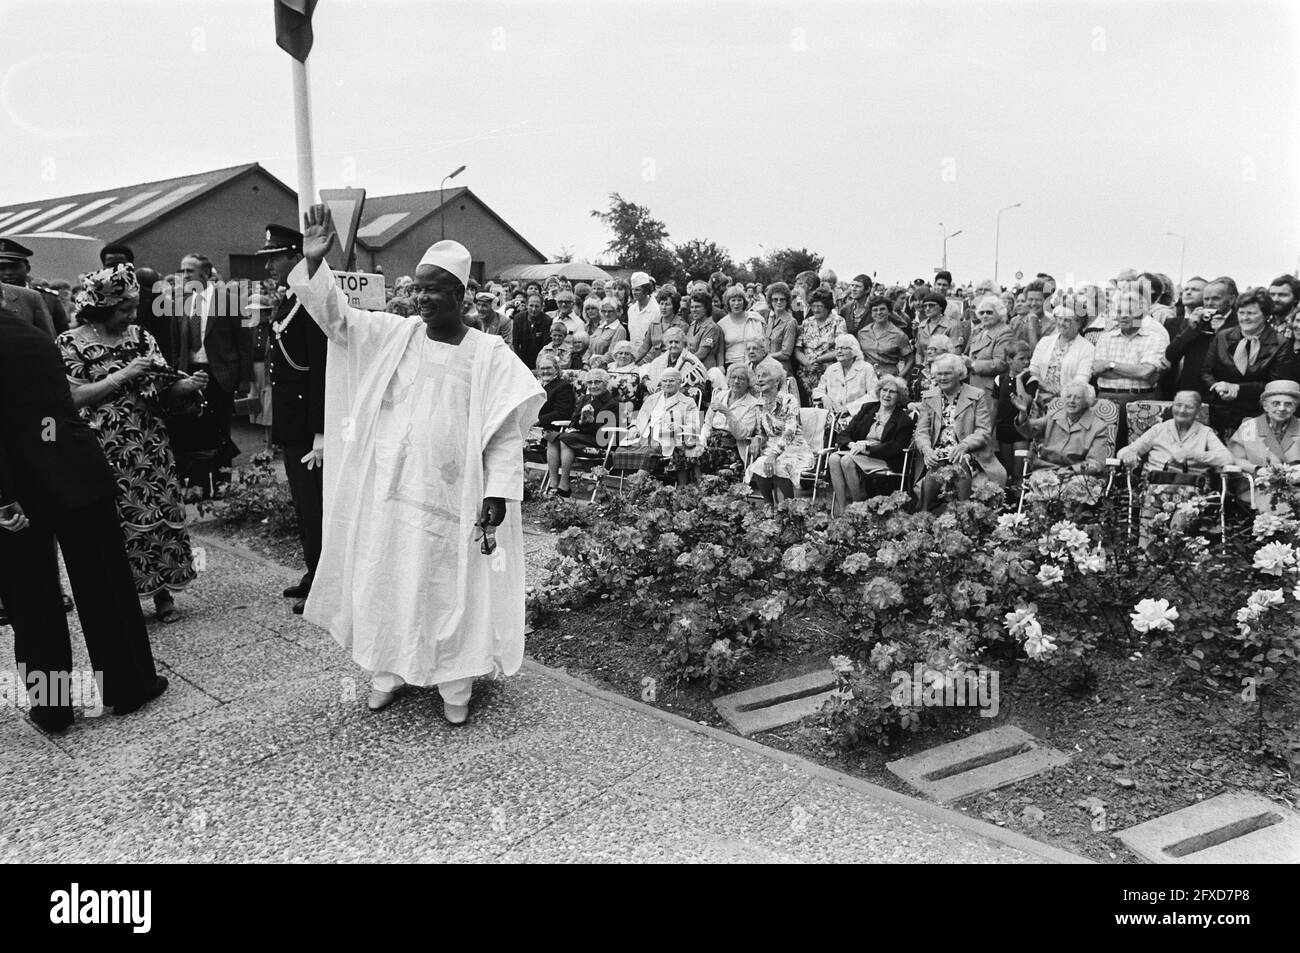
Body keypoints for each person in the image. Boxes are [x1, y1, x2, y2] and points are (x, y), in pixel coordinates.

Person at [289, 205, 546, 722]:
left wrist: (498, 492)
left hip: (456, 497)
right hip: (393, 490)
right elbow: (339, 320)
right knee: (390, 576)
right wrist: (315, 266)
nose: (421, 298)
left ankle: (455, 685)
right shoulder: (396, 336)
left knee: (452, 587)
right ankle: (388, 671)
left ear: (461, 295)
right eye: (417, 288)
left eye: (434, 289)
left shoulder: (490, 353)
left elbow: (503, 434)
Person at [0, 304, 168, 732]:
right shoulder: (32, 335)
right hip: (74, 468)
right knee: (104, 584)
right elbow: (48, 415)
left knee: (32, 597)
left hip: (19, 486)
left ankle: (52, 706)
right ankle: (130, 684)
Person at [59, 262, 207, 623]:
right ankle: (121, 598)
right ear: (102, 307)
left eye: (133, 308)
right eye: (124, 309)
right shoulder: (70, 342)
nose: (131, 315)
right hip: (102, 449)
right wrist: (122, 375)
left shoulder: (140, 337)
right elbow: (72, 397)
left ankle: (163, 595)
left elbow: (161, 385)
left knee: (160, 515)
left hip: (150, 444)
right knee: (115, 522)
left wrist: (185, 386)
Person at [255, 225, 329, 614]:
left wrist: (321, 428)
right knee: (304, 504)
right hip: (293, 419)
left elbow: (320, 368)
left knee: (316, 504)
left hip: (307, 422)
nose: (269, 264)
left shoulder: (309, 302)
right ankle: (313, 570)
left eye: (276, 256)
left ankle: (323, 581)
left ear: (295, 257)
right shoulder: (291, 299)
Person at [171, 252, 253, 494]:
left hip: (220, 374)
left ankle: (222, 482)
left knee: (220, 428)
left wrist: (245, 380)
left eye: (190, 271)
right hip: (190, 374)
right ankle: (197, 485)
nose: (184, 275)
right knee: (194, 429)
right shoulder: (180, 303)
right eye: (182, 271)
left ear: (205, 274)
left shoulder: (229, 301)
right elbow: (177, 346)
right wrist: (178, 376)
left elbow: (244, 344)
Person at [1117, 390, 1233, 546]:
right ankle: (1145, 552)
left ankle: (1175, 554)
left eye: (1189, 407)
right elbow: (1124, 451)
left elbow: (1227, 458)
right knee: (1152, 497)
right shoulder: (1159, 429)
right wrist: (1129, 454)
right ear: (1172, 406)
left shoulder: (1205, 432)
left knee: (1184, 514)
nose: (1182, 410)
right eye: (1178, 405)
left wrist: (1193, 454)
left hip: (1191, 488)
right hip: (1156, 486)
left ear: (1198, 410)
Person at [913, 354, 1006, 510]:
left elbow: (983, 431)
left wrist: (964, 445)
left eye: (947, 373)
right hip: (938, 452)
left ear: (959, 374)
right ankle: (924, 516)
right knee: (936, 466)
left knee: (960, 464)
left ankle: (964, 514)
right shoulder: (929, 397)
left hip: (969, 452)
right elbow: (921, 431)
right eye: (939, 374)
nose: (942, 378)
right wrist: (926, 449)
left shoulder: (976, 395)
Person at [1201, 287, 1298, 435]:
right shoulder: (1222, 336)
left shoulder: (1281, 343)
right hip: (1219, 413)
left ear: (1265, 315)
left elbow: (1276, 385)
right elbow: (1206, 371)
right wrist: (1216, 386)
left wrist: (1238, 388)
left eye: (1251, 313)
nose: (1245, 318)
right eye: (1241, 312)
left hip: (1256, 416)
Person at [826, 375, 914, 515]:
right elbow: (844, 434)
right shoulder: (868, 409)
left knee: (846, 460)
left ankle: (858, 509)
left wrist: (867, 449)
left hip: (881, 457)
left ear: (900, 396)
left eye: (892, 392)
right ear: (879, 391)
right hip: (857, 450)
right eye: (884, 390)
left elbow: (895, 447)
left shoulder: (903, 420)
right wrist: (852, 444)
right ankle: (842, 510)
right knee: (833, 458)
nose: (887, 395)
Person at [1015, 381, 1112, 504]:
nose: (1071, 401)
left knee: (1076, 486)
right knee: (1041, 482)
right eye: (1068, 396)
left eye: (1077, 398)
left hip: (1079, 474)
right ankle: (1040, 521)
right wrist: (1023, 413)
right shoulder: (1053, 417)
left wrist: (1072, 470)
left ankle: (1070, 522)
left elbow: (1096, 463)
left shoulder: (1098, 426)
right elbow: (1029, 431)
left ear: (1087, 401)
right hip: (1048, 469)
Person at [1093, 290, 1165, 446]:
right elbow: (1097, 369)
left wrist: (1110, 365)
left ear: (1142, 314)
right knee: (1104, 448)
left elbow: (1146, 372)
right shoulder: (1105, 338)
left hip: (1142, 401)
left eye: (1130, 311)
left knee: (1138, 450)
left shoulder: (1155, 339)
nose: (1123, 316)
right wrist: (1135, 371)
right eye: (1119, 311)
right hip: (1106, 400)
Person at [607, 368, 700, 485]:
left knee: (649, 453)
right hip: (644, 436)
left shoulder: (688, 402)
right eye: (664, 381)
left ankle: (636, 486)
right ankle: (625, 486)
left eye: (671, 380)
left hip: (666, 439)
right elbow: (640, 417)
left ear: (679, 382)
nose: (667, 383)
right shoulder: (652, 398)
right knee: (622, 450)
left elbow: (694, 426)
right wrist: (634, 427)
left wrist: (679, 427)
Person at [746, 357, 814, 505]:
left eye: (764, 376)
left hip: (794, 449)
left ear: (777, 381)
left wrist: (773, 454)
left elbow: (790, 431)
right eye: (758, 376)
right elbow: (761, 431)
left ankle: (789, 507)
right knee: (758, 465)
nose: (759, 379)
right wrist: (757, 439)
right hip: (771, 449)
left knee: (780, 466)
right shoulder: (759, 404)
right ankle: (768, 504)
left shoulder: (789, 400)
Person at [1227, 379, 1300, 510]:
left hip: (1296, 488)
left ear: (1295, 407)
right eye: (1276, 403)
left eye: (1288, 404)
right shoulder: (1248, 428)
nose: (1282, 408)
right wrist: (1256, 469)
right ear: (1265, 406)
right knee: (1277, 506)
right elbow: (1233, 459)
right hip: (1258, 489)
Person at [545, 367, 619, 497]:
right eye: (590, 383)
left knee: (565, 439)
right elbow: (573, 421)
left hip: (599, 440)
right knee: (552, 438)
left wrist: (590, 421)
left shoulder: (612, 403)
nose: (593, 386)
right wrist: (579, 421)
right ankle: (553, 483)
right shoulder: (585, 398)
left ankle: (564, 484)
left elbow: (606, 435)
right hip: (580, 436)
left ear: (605, 384)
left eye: (597, 382)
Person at [699, 363, 763, 474]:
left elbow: (742, 434)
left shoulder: (753, 404)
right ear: (728, 379)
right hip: (710, 443)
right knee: (688, 451)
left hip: (732, 448)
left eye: (741, 378)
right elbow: (707, 423)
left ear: (748, 383)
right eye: (733, 377)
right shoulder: (720, 395)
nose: (736, 381)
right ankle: (687, 487)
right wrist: (702, 440)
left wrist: (727, 412)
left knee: (701, 457)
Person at [0, 237, 68, 333]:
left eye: (14, 267)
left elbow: (62, 333)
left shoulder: (47, 298)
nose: (8, 273)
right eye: (2, 268)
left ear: (27, 268)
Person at [1029, 309, 1095, 399]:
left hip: (1068, 400)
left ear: (1079, 324)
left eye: (1067, 320)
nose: (1061, 323)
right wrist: (1046, 386)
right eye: (1060, 318)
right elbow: (1032, 371)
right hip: (1037, 397)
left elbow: (1081, 381)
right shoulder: (1045, 341)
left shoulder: (1088, 348)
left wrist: (1061, 391)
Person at [794, 288, 845, 401]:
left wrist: (819, 359)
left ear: (827, 307)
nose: (815, 310)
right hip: (806, 373)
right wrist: (806, 362)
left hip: (828, 373)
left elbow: (842, 349)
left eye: (819, 306)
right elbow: (797, 349)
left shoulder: (838, 321)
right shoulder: (807, 322)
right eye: (813, 306)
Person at [813, 333, 878, 418]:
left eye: (844, 348)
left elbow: (874, 395)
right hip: (832, 417)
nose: (839, 351)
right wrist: (824, 397)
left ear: (854, 351)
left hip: (857, 417)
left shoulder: (866, 368)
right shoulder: (832, 369)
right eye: (837, 348)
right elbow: (818, 390)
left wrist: (849, 408)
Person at [964, 294, 1013, 393]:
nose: (985, 315)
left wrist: (973, 364)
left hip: (991, 390)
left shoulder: (1004, 332)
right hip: (973, 386)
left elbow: (1001, 364)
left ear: (999, 313)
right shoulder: (979, 331)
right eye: (982, 313)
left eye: (989, 312)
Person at [716, 285, 765, 367]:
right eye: (733, 300)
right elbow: (720, 352)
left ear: (744, 302)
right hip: (732, 364)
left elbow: (764, 343)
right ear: (728, 302)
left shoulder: (755, 318)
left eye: (739, 300)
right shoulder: (722, 324)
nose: (736, 303)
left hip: (755, 363)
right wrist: (721, 367)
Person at [635, 289, 685, 363]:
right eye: (661, 304)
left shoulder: (682, 325)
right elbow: (644, 348)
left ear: (674, 306)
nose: (663, 307)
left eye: (667, 304)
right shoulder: (654, 324)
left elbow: (681, 352)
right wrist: (632, 362)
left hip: (671, 363)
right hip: (651, 361)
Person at [763, 282, 800, 375]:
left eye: (782, 299)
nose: (778, 302)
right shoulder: (770, 319)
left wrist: (764, 357)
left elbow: (786, 354)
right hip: (767, 367)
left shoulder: (790, 322)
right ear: (770, 301)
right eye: (775, 299)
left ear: (787, 301)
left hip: (782, 370)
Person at [683, 291, 724, 370]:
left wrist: (683, 362)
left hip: (705, 370)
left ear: (706, 308)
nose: (694, 310)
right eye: (692, 307)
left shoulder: (711, 327)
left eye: (697, 307)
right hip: (690, 369)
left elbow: (702, 353)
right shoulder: (693, 325)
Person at [625, 272, 658, 345]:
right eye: (632, 289)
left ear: (646, 291)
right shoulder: (631, 310)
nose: (634, 293)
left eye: (637, 290)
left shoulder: (656, 310)